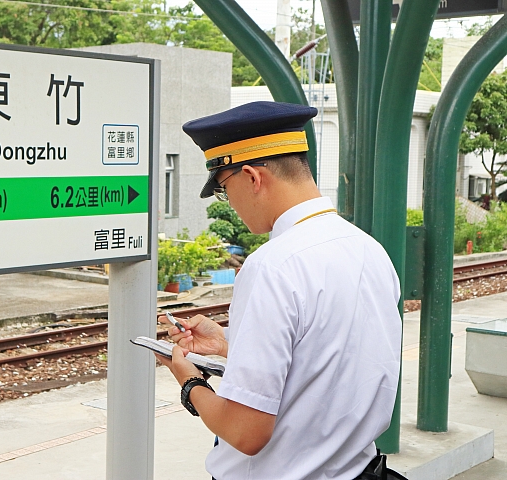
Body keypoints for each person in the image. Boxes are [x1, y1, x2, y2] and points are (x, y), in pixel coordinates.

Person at [156, 101, 403, 479]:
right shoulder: (368, 249)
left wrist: (189, 381)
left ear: (253, 177)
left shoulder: (272, 265)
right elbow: (327, 360)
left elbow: (246, 432)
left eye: (224, 190)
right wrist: (229, 345)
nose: (230, 204)